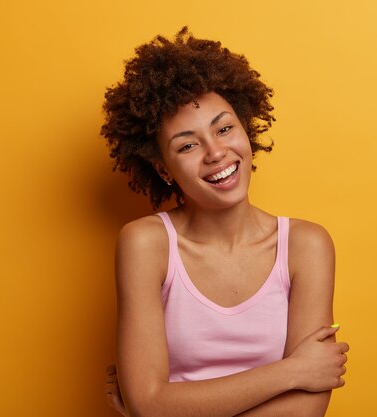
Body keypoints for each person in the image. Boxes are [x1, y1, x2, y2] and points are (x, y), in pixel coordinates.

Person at [101, 27, 349, 417]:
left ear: (246, 129)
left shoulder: (306, 245)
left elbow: (305, 412)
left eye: (224, 128)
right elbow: (149, 405)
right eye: (187, 145)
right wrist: (294, 371)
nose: (216, 152)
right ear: (163, 169)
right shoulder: (146, 244)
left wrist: (164, 407)